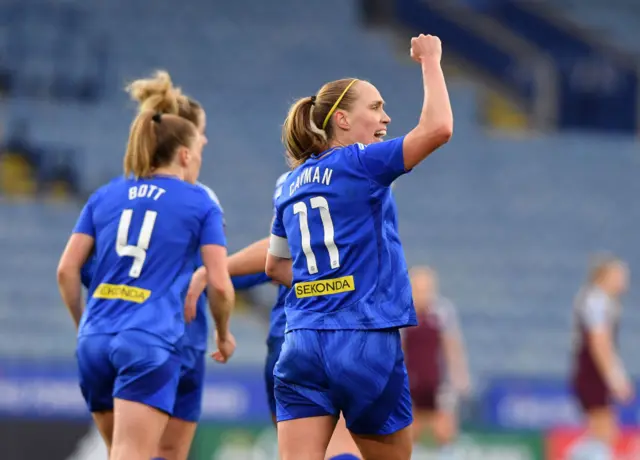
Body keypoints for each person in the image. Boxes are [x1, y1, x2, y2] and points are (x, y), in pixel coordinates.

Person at [264, 33, 453, 460]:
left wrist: (320, 285)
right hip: (363, 339)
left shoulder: (290, 183)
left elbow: (275, 267)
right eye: (375, 107)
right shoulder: (361, 162)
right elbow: (439, 128)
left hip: (301, 342)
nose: (385, 117)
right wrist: (431, 60)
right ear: (342, 121)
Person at [56, 105, 235, 460]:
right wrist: (223, 331)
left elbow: (66, 270)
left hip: (95, 340)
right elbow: (219, 283)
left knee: (118, 452)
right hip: (148, 340)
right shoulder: (200, 202)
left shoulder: (106, 194)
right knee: (135, 453)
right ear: (184, 154)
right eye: (198, 152)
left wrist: (84, 326)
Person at [189, 171, 363, 459]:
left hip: (286, 341)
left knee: (299, 450)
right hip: (339, 333)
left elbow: (272, 258)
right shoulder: (356, 176)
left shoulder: (291, 182)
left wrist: (213, 270)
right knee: (343, 441)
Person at [568, 255, 633, 460]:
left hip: (591, 372)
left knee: (605, 432)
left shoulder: (601, 300)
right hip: (592, 373)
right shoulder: (596, 300)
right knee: (603, 431)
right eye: (620, 275)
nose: (625, 281)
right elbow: (600, 343)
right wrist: (615, 377)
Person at [403, 266, 470, 457]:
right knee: (410, 430)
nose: (422, 293)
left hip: (438, 381)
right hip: (412, 380)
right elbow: (399, 347)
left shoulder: (443, 311)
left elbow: (452, 346)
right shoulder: (404, 311)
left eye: (426, 288)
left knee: (444, 430)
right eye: (418, 288)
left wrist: (460, 377)